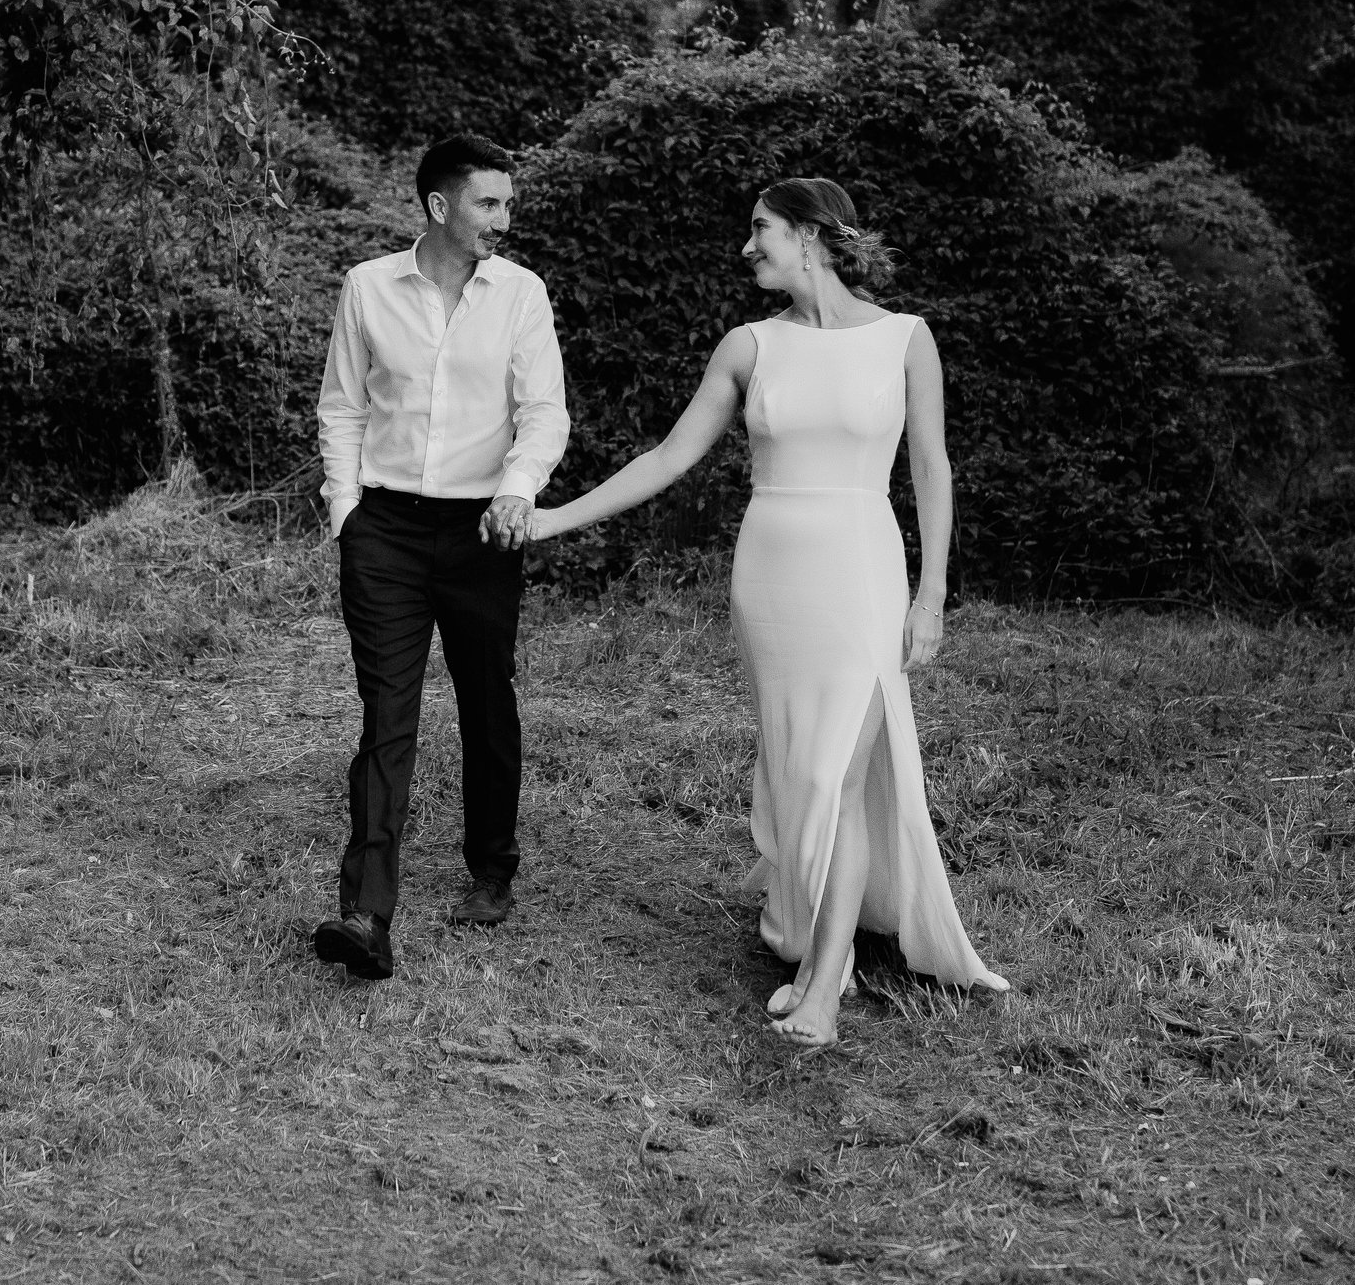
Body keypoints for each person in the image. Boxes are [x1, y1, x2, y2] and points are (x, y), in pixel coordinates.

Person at [530, 177, 1009, 1047]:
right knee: (804, 775)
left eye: (761, 229)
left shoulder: (907, 339)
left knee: (837, 775)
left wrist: (933, 589)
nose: (747, 246)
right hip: (772, 579)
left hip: (863, 570)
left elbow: (931, 468)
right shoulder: (749, 346)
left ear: (812, 235)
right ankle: (826, 946)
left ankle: (824, 987)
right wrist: (553, 518)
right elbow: (669, 455)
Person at [310, 134, 569, 981]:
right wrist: (346, 513)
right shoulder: (367, 287)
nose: (504, 218)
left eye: (507, 203)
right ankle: (366, 912)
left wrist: (519, 489)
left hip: (483, 530)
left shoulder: (522, 294)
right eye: (489, 203)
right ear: (438, 207)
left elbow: (544, 413)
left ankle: (491, 865)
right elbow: (342, 408)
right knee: (387, 710)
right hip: (382, 529)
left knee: (486, 698)